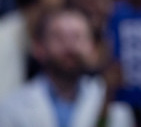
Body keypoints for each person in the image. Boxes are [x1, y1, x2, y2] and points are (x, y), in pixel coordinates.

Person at [0, 7, 133, 127]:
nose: (69, 46)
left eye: (77, 37)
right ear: (39, 48)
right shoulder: (10, 107)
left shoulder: (115, 106)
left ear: (92, 48)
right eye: (59, 37)